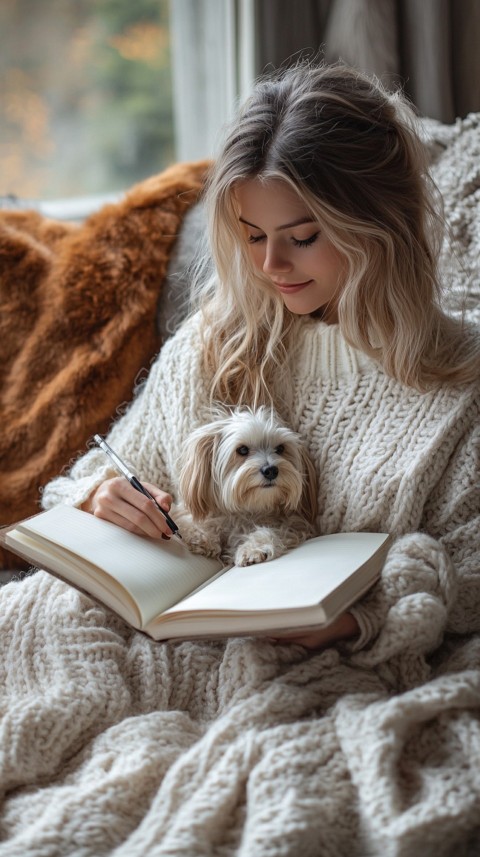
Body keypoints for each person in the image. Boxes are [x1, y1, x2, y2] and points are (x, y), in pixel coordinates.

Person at [41, 61, 480, 651]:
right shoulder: (213, 342)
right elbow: (90, 480)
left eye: (302, 238)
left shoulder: (460, 377)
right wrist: (98, 498)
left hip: (339, 665)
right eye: (252, 236)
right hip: (157, 644)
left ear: (380, 228)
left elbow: (469, 570)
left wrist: (358, 621)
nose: (271, 265)